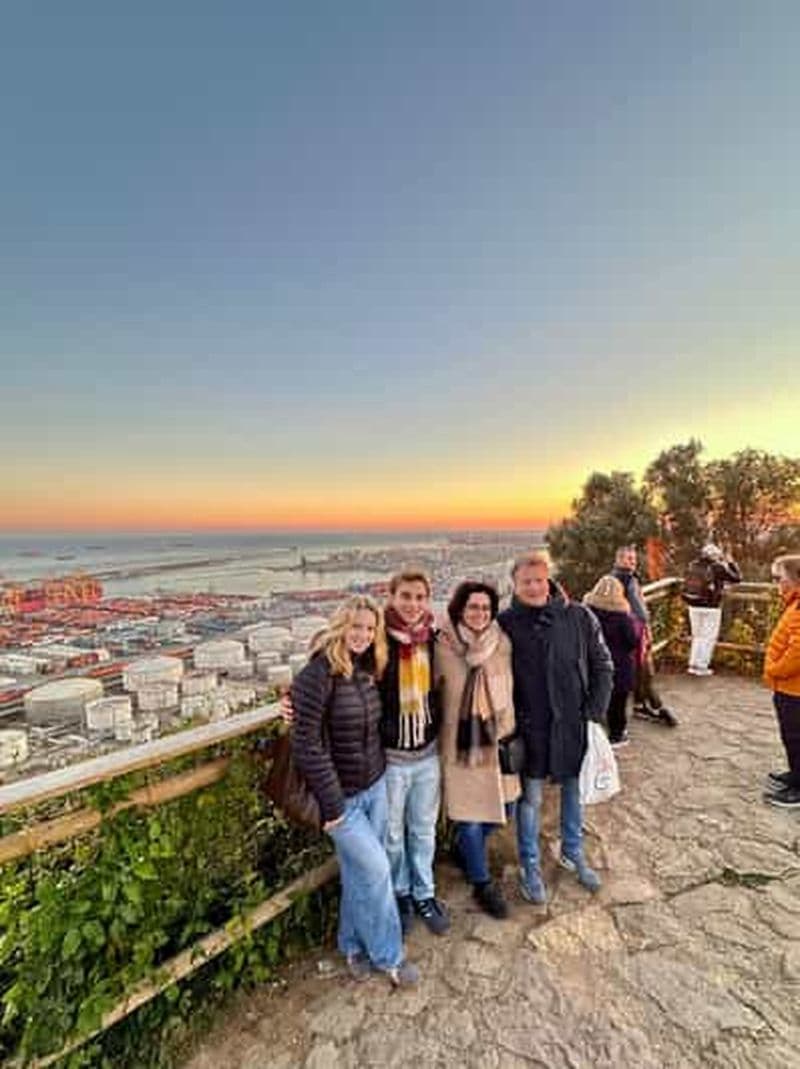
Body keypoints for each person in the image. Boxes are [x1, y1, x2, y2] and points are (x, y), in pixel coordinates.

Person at [292, 595, 419, 986]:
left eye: (369, 628)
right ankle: (390, 957)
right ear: (340, 627)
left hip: (375, 786)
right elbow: (306, 744)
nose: (362, 635)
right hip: (342, 799)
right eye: (356, 626)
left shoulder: (367, 669)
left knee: (358, 871)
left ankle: (351, 944)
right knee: (378, 870)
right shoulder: (317, 674)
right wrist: (332, 806)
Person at [498, 551, 614, 904]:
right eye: (526, 582)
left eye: (538, 579)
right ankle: (530, 865)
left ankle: (572, 851)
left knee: (572, 791)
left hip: (571, 723)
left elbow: (603, 665)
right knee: (529, 799)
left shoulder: (578, 615)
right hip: (530, 728)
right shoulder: (505, 623)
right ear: (514, 586)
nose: (533, 587)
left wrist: (593, 712)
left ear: (548, 580)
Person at [435, 580, 520, 919]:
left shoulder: (502, 644)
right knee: (470, 819)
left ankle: (463, 850)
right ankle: (481, 882)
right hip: (460, 748)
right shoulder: (441, 646)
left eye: (485, 608)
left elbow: (511, 687)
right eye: (473, 607)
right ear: (460, 609)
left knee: (507, 809)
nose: (479, 613)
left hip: (498, 742)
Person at [380, 571, 450, 936]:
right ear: (391, 596)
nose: (413, 604)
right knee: (392, 834)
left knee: (423, 831)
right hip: (391, 758)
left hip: (427, 754)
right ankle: (401, 892)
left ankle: (425, 893)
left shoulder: (432, 640)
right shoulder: (377, 643)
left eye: (420, 597)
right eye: (406, 596)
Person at [612, 545, 678, 727]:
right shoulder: (616, 580)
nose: (632, 562)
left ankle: (642, 705)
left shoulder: (630, 578)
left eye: (633, 559)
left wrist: (646, 625)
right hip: (630, 630)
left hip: (640, 628)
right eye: (628, 559)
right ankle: (655, 706)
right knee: (643, 669)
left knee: (643, 668)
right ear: (618, 560)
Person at [583, 575, 640, 747]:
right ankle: (617, 734)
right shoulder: (623, 618)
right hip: (620, 666)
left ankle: (593, 731)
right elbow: (632, 641)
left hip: (593, 665)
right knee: (618, 703)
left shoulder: (587, 613)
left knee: (596, 697)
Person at [762, 555, 800, 810]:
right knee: (791, 736)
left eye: (780, 579)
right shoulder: (794, 604)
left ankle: (798, 789)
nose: (778, 584)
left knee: (797, 737)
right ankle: (795, 774)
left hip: (794, 688)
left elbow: (797, 651)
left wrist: (774, 670)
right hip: (788, 687)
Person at [682, 543, 742, 675]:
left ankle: (692, 664)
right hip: (711, 607)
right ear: (714, 555)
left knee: (697, 635)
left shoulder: (692, 565)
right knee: (708, 637)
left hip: (693, 603)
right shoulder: (718, 567)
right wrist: (731, 562)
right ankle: (702, 667)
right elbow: (737, 578)